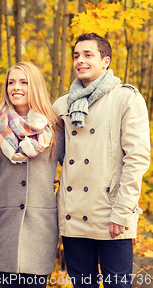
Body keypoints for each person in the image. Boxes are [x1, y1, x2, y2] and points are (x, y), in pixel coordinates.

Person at [53, 33, 150, 288]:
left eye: (88, 55)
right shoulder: (62, 104)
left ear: (105, 61)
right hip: (74, 216)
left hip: (111, 216)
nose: (80, 61)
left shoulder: (126, 98)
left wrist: (122, 211)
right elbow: (40, 142)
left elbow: (137, 158)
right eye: (76, 56)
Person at [0, 62, 64, 288]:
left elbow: (74, 166)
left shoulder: (55, 127)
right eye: (11, 82)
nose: (16, 87)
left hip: (41, 224)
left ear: (34, 86)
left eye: (23, 82)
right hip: (4, 223)